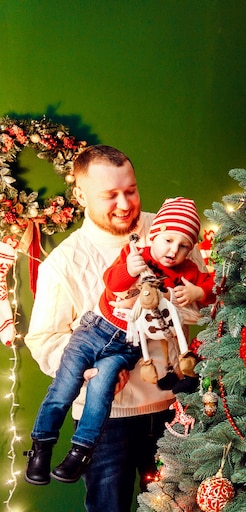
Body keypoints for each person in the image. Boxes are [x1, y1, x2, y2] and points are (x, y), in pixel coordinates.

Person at [24, 145, 208, 511]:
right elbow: (43, 339)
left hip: (177, 406)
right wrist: (91, 371)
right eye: (110, 195)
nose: (125, 204)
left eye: (131, 190)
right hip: (108, 421)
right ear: (80, 194)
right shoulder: (63, 262)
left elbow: (203, 308)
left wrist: (186, 305)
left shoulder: (174, 232)